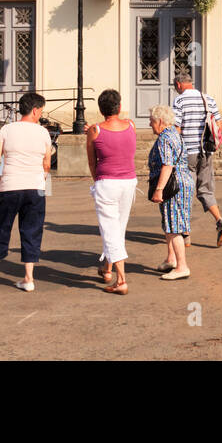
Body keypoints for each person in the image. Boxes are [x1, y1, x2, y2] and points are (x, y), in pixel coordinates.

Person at [0, 92, 52, 291]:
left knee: (2, 229)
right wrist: (44, 186)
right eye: (41, 111)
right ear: (35, 110)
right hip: (36, 188)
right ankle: (28, 278)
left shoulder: (6, 130)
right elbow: (46, 165)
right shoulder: (43, 133)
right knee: (32, 231)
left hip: (10, 186)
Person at [85, 89, 136, 295]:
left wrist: (96, 178)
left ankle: (121, 279)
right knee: (118, 227)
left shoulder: (95, 130)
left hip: (107, 182)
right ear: (120, 107)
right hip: (129, 181)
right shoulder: (131, 125)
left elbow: (91, 160)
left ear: (100, 109)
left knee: (110, 229)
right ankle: (107, 268)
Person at [171, 74, 222, 248]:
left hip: (187, 153)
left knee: (184, 192)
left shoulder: (179, 101)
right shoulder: (208, 99)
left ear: (179, 84)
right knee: (205, 190)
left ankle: (185, 234)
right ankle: (219, 220)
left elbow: (176, 128)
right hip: (206, 151)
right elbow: (218, 125)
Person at [147, 104, 192, 280]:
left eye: (151, 121)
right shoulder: (174, 133)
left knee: (174, 226)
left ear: (160, 121)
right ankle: (171, 259)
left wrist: (159, 189)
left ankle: (182, 266)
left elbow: (168, 165)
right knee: (170, 222)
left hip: (174, 185)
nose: (150, 124)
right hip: (182, 181)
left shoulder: (165, 138)